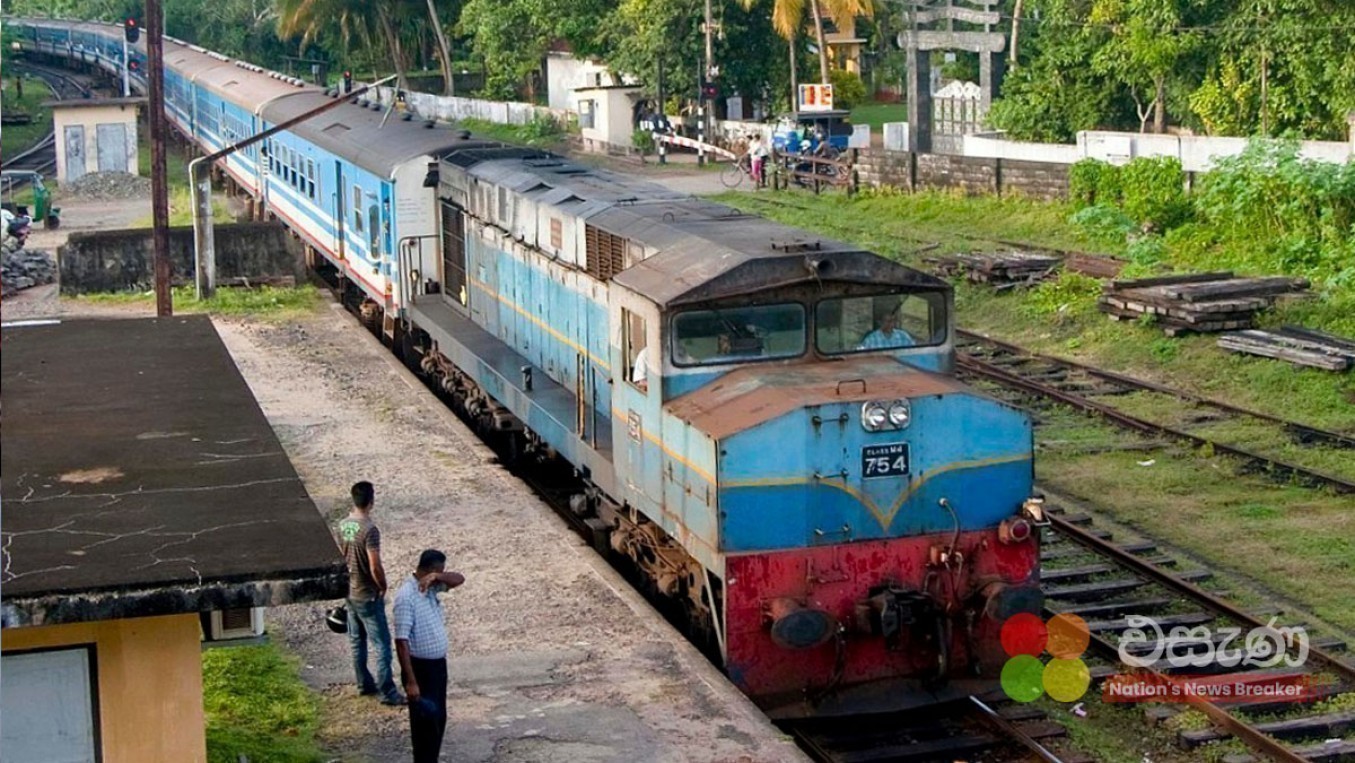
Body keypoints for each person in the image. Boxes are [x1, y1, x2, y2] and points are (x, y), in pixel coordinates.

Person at [393, 549, 465, 763]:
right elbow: (401, 641)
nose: (443, 574)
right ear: (431, 568)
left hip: (436, 667)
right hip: (420, 669)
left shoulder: (431, 587)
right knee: (425, 724)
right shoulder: (406, 597)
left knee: (438, 720)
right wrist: (411, 681)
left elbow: (459, 579)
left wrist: (438, 577)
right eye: (439, 570)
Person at [336, 481, 404, 706]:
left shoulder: (343, 525)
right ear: (371, 501)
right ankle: (388, 692)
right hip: (367, 593)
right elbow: (374, 564)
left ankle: (363, 683)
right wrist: (382, 585)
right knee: (382, 645)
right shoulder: (370, 529)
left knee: (357, 641)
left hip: (350, 591)